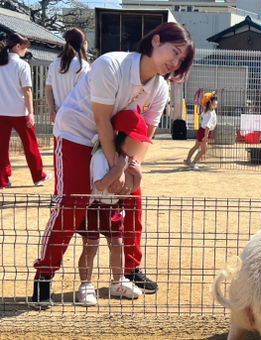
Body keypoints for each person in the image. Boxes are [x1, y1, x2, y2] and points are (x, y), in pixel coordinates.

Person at [31, 22, 195, 307]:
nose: (175, 61)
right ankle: (44, 275)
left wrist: (132, 169)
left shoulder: (160, 89)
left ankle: (129, 270)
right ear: (155, 41)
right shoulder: (111, 65)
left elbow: (145, 136)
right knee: (72, 202)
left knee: (133, 199)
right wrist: (114, 169)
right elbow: (101, 121)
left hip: (117, 142)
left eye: (181, 59)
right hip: (77, 134)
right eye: (175, 52)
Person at [76, 110, 150, 306]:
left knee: (117, 244)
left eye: (140, 142)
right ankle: (85, 285)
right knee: (90, 247)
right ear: (119, 136)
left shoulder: (127, 158)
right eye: (134, 141)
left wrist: (138, 176)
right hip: (95, 207)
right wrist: (118, 169)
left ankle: (117, 281)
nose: (137, 146)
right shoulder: (102, 155)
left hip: (114, 208)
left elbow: (125, 191)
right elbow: (100, 185)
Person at [0, 33, 52, 189]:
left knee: (1, 147)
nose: (25, 51)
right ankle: (38, 176)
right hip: (19, 112)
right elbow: (27, 91)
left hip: (1, 111)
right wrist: (31, 112)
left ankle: (3, 180)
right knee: (30, 145)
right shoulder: (22, 65)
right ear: (17, 46)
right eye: (24, 47)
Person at [45, 28, 90, 124]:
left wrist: (52, 109)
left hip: (58, 117)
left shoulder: (54, 64)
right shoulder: (83, 66)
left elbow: (48, 89)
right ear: (84, 43)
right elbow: (84, 94)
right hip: (77, 119)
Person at [184, 91, 217, 171]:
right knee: (203, 150)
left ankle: (188, 160)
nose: (216, 103)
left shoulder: (207, 111)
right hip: (204, 132)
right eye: (214, 102)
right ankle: (194, 163)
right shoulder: (210, 113)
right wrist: (205, 136)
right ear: (210, 103)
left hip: (201, 131)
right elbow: (207, 127)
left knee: (196, 146)